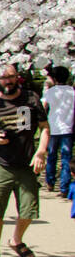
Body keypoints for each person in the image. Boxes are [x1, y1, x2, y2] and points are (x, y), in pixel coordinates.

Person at [0, 64, 50, 257]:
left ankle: (16, 240)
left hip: (26, 163)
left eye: (11, 77)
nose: (8, 81)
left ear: (17, 78)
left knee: (29, 209)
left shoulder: (31, 99)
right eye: (3, 78)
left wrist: (41, 152)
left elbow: (45, 128)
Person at [41, 65, 73, 198]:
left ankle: (50, 182)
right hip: (68, 129)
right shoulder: (72, 91)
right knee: (66, 158)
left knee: (51, 156)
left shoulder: (50, 92)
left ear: (54, 78)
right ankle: (64, 187)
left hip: (52, 128)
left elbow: (43, 107)